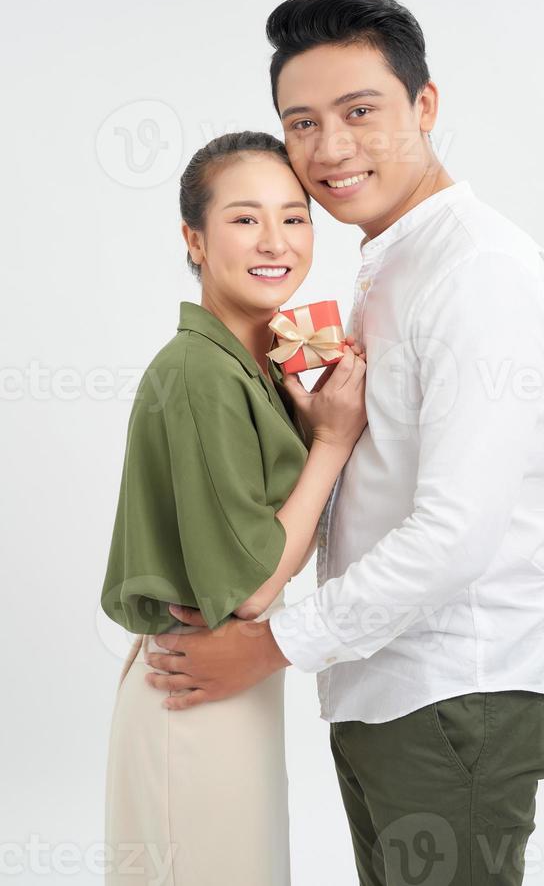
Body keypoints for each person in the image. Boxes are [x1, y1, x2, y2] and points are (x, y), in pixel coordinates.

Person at [143, 0, 544, 885]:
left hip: (459, 693)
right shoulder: (387, 261)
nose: (330, 149)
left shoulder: (478, 274)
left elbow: (455, 537)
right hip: (386, 688)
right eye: (300, 123)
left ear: (424, 107)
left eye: (360, 112)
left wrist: (267, 645)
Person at [100, 129, 367, 886]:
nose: (276, 240)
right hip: (194, 690)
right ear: (194, 237)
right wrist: (332, 443)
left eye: (295, 216)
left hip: (225, 686)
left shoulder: (257, 360)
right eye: (245, 219)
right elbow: (250, 588)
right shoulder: (199, 371)